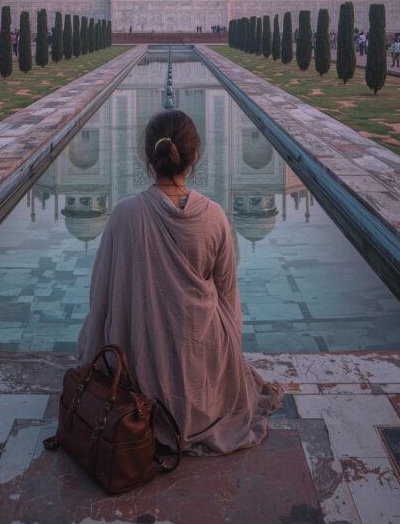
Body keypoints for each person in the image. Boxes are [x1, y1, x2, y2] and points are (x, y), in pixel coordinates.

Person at [78, 110, 283, 456]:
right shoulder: (215, 215)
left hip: (139, 362)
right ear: (195, 158)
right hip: (204, 358)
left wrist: (92, 359)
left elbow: (101, 299)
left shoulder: (125, 214)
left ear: (147, 157)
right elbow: (229, 300)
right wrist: (229, 368)